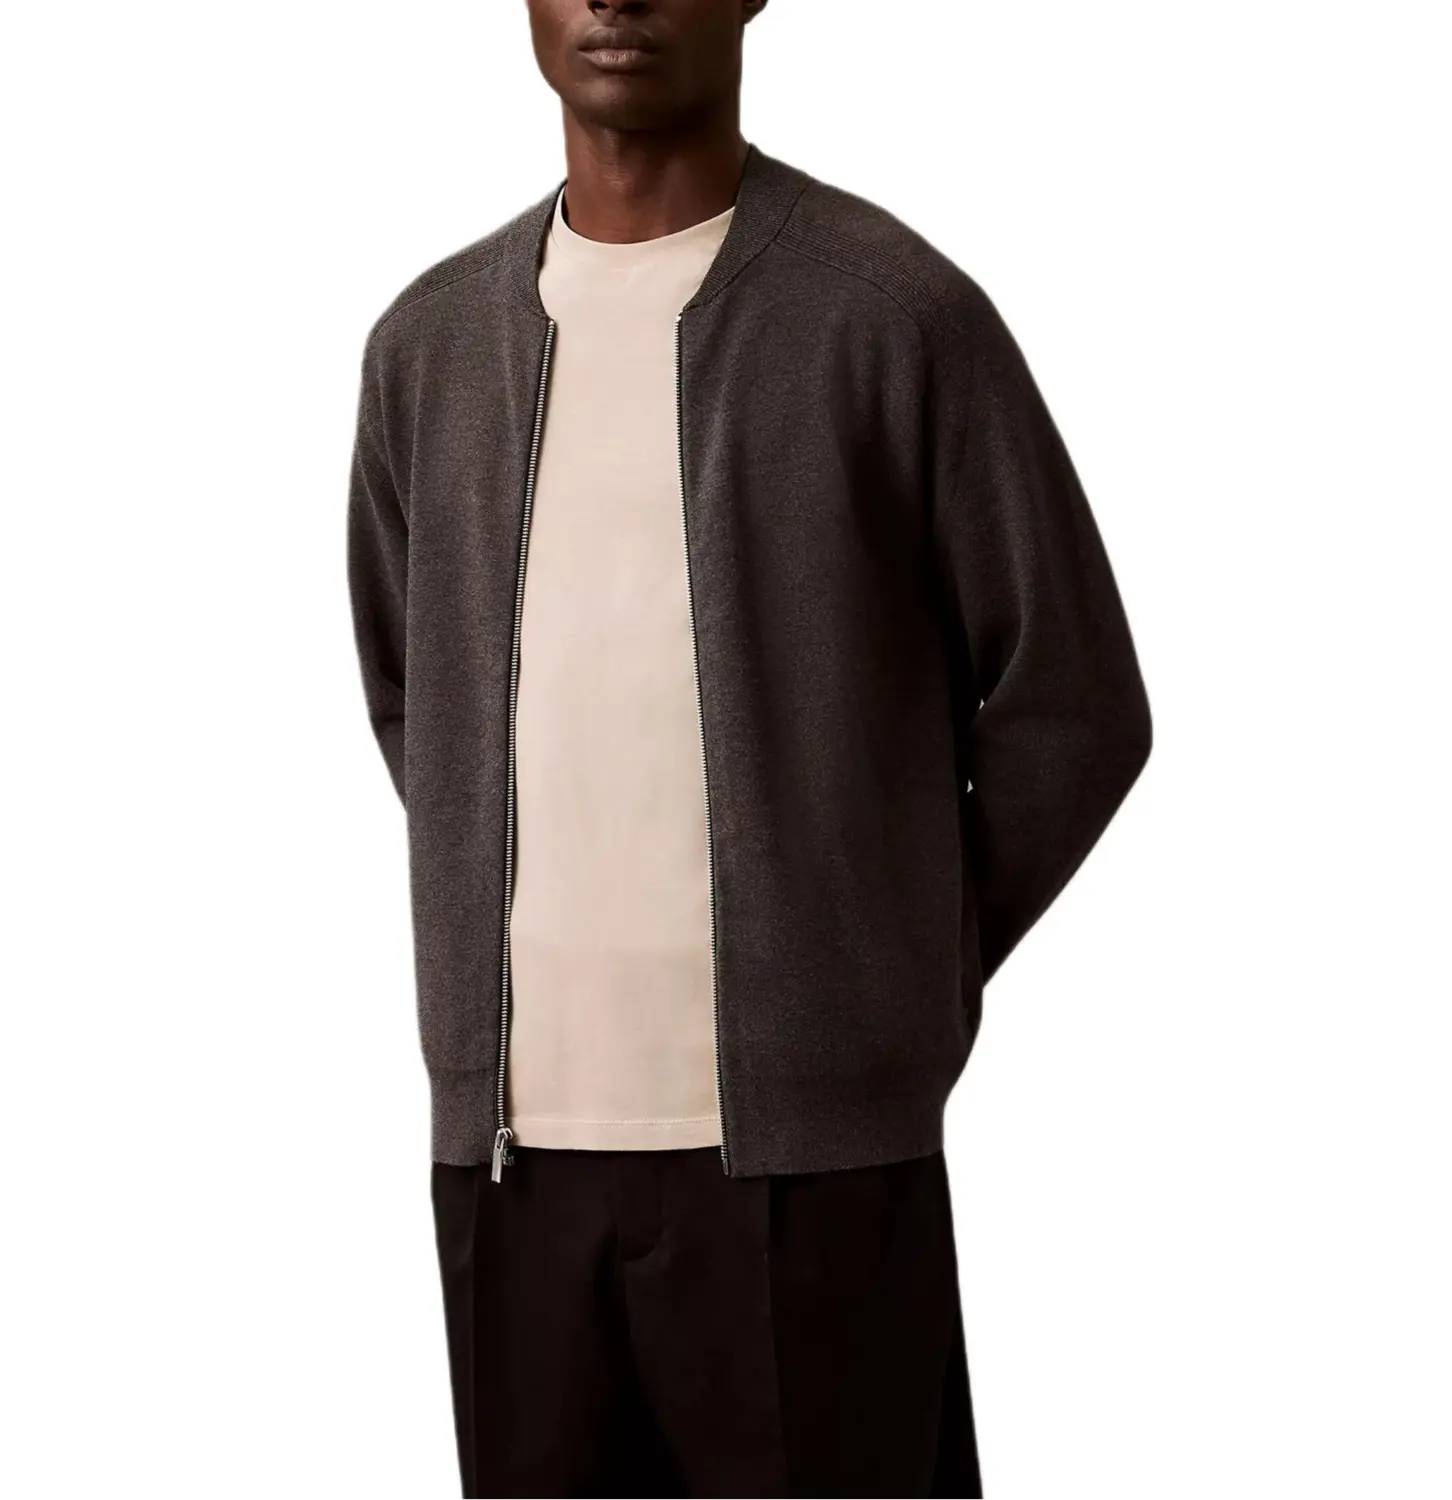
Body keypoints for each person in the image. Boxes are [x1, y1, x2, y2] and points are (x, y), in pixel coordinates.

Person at [345, 2, 1152, 1494]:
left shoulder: (892, 315)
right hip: (509, 1164)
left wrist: (879, 965)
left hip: (817, 1169)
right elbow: (417, 701)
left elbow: (1076, 704)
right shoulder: (428, 349)